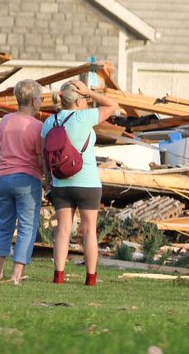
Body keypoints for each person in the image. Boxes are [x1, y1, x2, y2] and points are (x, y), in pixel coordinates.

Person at [41, 79, 118, 286]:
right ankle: (91, 279)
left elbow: (44, 155)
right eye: (84, 98)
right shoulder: (84, 117)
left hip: (61, 184)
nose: (87, 101)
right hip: (87, 183)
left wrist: (48, 181)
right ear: (77, 101)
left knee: (63, 230)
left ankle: (59, 276)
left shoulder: (50, 122)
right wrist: (91, 91)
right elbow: (113, 105)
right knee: (89, 231)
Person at [0, 79, 46, 284]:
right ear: (33, 101)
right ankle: (16, 274)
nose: (42, 102)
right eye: (41, 98)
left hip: (3, 177)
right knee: (27, 226)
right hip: (27, 180)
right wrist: (46, 178)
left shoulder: (5, 121)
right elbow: (40, 159)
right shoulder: (38, 126)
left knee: (3, 225)